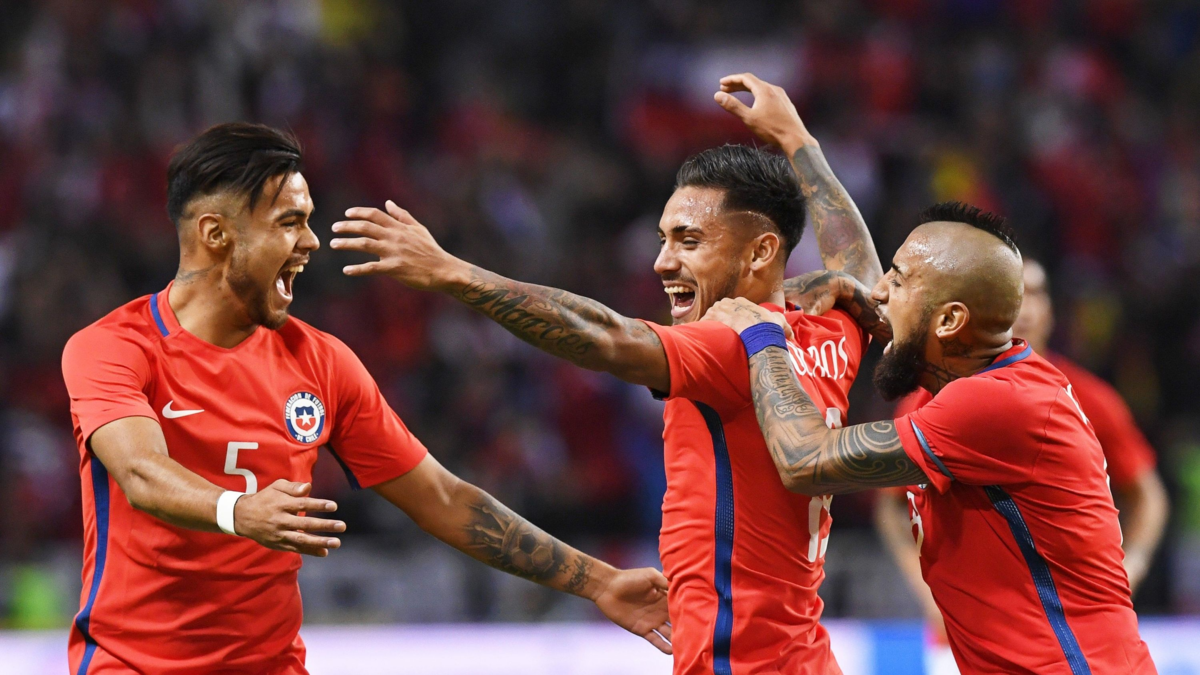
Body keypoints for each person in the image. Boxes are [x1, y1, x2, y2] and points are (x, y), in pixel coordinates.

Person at [60, 123, 671, 675]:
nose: (311, 242)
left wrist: (599, 582)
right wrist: (237, 512)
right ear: (216, 234)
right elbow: (142, 472)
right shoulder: (113, 348)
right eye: (288, 222)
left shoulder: (321, 363)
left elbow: (442, 498)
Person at [329, 73, 883, 674]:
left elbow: (605, 336)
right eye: (664, 239)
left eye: (689, 241)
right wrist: (797, 139)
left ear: (760, 252)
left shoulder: (731, 345)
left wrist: (454, 274)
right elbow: (863, 275)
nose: (662, 262)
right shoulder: (830, 331)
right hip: (807, 657)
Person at [703, 203, 1157, 674]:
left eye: (897, 281)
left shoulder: (994, 404)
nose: (879, 291)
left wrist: (763, 340)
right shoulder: (983, 384)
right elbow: (910, 321)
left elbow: (804, 460)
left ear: (949, 321)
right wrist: (803, 155)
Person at [875, 257, 1170, 674]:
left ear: (1052, 310)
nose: (1027, 308)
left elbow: (1148, 493)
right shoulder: (923, 403)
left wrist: (1132, 565)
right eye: (1016, 294)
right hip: (973, 644)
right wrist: (923, 590)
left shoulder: (1088, 397)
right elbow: (890, 504)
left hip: (1061, 648)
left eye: (1037, 294)